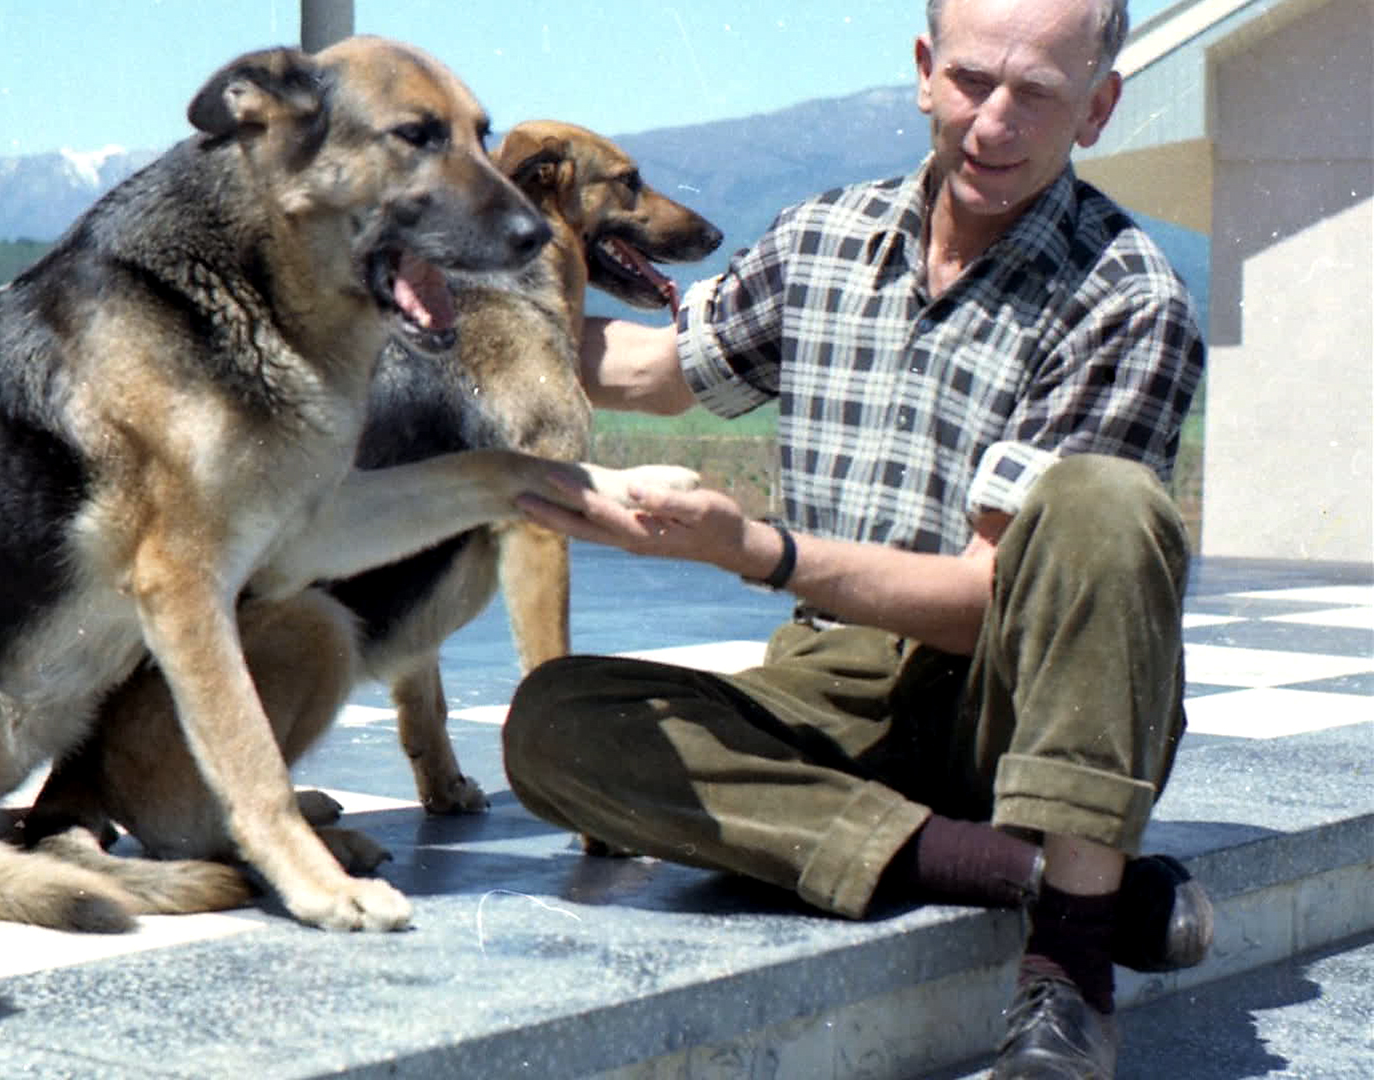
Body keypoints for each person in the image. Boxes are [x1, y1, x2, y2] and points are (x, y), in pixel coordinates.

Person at [502, 0, 1209, 1075]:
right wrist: (438, 324)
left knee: (1106, 501)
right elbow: (647, 369)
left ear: (1100, 107)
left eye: (1039, 97)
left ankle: (1069, 973)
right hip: (831, 682)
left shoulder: (1130, 299)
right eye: (973, 81)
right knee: (555, 723)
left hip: (1021, 704)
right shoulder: (820, 239)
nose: (992, 125)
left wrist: (755, 551)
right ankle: (1052, 881)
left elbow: (980, 601)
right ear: (925, 70)